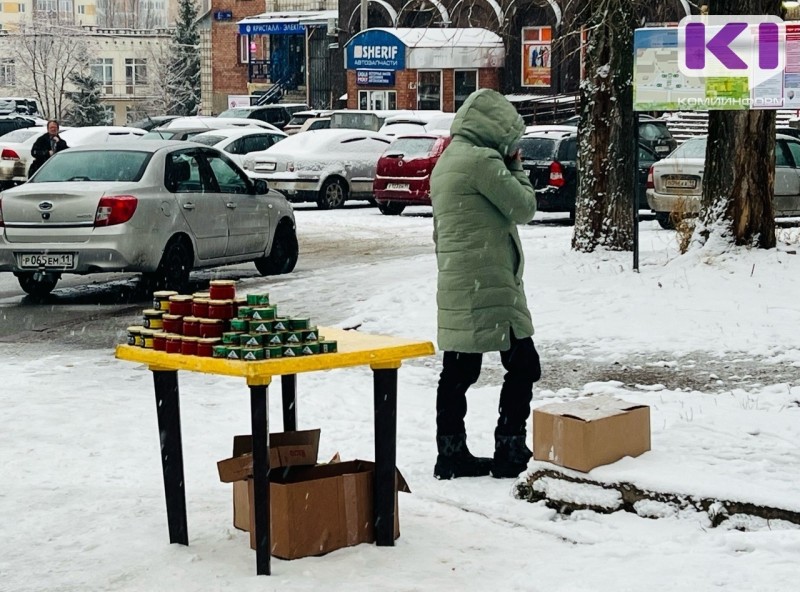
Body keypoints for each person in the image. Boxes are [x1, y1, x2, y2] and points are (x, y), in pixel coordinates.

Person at [429, 88, 541, 480]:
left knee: (457, 373)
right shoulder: (482, 162)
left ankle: (451, 453)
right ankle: (509, 448)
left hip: (460, 283)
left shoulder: (446, 161)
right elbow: (524, 207)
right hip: (490, 283)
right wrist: (516, 166)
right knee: (524, 365)